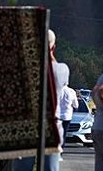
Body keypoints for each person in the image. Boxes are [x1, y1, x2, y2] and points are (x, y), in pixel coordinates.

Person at [14, 30, 69, 171]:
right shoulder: (62, 69)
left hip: (27, 125)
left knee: (22, 168)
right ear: (53, 47)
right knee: (50, 168)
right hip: (51, 125)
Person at [58, 85, 78, 149]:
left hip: (57, 115)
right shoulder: (71, 91)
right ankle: (61, 150)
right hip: (67, 116)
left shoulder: (57, 90)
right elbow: (76, 105)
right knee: (63, 134)